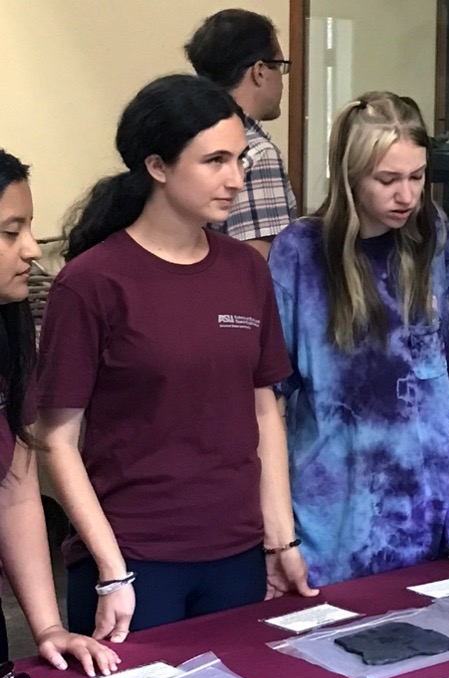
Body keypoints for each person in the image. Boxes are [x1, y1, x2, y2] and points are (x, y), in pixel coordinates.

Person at [35, 74, 315, 643]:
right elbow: (55, 439)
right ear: (157, 166)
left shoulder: (246, 270)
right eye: (215, 161)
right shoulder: (91, 283)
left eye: (239, 159)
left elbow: (264, 411)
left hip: (237, 554)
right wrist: (112, 571)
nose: (236, 179)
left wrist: (281, 540)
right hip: (134, 562)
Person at [269, 92, 449, 586]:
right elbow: (268, 405)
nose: (407, 196)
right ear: (349, 176)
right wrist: (279, 537)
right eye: (387, 180)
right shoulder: (299, 252)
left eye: (418, 177)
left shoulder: (434, 235)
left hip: (421, 513)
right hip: (330, 522)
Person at [0, 151, 117, 675]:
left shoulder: (10, 332)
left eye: (29, 229)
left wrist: (49, 627)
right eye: (10, 232)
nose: (31, 250)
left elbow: (17, 490)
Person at [185, 8, 296, 258]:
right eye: (280, 66)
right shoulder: (256, 154)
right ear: (259, 71)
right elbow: (259, 267)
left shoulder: (186, 142)